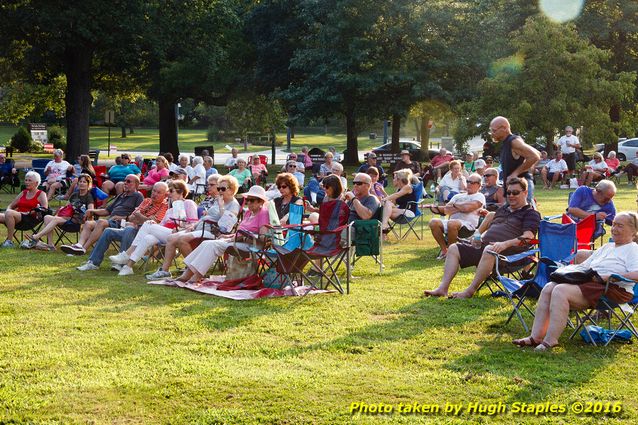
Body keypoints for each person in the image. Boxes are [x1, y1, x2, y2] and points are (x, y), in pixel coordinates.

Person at [513, 212, 638, 351]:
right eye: (613, 224)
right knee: (549, 287)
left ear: (634, 231)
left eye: (620, 226)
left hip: (612, 290)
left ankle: (551, 340)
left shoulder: (633, 249)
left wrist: (609, 276)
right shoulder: (607, 247)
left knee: (560, 291)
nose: (614, 229)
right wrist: (568, 271)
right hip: (590, 282)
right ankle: (535, 337)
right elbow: (585, 266)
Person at [424, 178, 540, 298]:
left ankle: (469, 291)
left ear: (525, 193)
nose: (511, 195)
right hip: (486, 248)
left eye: (515, 192)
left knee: (489, 249)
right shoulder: (504, 210)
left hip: (509, 255)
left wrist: (504, 244)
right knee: (454, 248)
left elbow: (528, 237)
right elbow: (491, 218)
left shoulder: (530, 213)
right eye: (508, 193)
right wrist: (476, 236)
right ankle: (443, 288)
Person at [144, 175, 241, 279]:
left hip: (214, 231)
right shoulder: (219, 201)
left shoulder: (233, 204)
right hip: (201, 226)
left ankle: (193, 270)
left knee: (182, 240)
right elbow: (207, 216)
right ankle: (165, 271)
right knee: (171, 238)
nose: (220, 191)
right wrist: (194, 225)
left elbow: (225, 226)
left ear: (231, 190)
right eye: (218, 188)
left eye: (223, 189)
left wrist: (221, 206)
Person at [175, 185, 271, 283]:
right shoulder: (248, 213)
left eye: (252, 200)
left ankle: (196, 277)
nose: (249, 203)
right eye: (247, 200)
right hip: (237, 241)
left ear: (261, 201)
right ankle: (188, 273)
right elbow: (239, 232)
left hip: (252, 246)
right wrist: (229, 236)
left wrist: (240, 238)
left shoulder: (263, 213)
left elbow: (262, 238)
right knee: (206, 243)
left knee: (213, 245)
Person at [111, 180, 199, 276]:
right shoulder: (170, 209)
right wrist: (153, 223)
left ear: (181, 192)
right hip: (167, 234)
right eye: (168, 191)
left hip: (181, 234)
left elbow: (194, 223)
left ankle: (127, 254)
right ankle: (128, 266)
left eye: (171, 191)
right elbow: (161, 225)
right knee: (147, 236)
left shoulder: (188, 203)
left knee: (148, 225)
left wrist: (182, 228)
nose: (168, 194)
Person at [76, 182, 169, 271]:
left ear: (165, 195)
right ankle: (93, 262)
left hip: (144, 237)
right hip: (133, 229)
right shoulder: (146, 201)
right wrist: (143, 218)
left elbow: (153, 223)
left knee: (129, 229)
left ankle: (121, 264)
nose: (155, 194)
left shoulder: (164, 206)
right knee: (108, 231)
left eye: (159, 192)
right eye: (154, 191)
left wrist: (140, 216)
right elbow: (131, 218)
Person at [61, 175, 144, 255]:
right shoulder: (121, 195)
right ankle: (79, 245)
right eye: (125, 181)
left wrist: (122, 217)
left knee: (101, 222)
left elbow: (137, 215)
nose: (125, 183)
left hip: (122, 223)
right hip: (111, 221)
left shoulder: (138, 196)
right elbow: (106, 211)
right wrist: (91, 210)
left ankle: (84, 249)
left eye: (129, 181)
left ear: (136, 184)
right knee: (88, 223)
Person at [23, 174, 95, 250]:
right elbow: (67, 207)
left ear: (88, 184)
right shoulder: (74, 195)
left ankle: (36, 236)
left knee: (56, 219)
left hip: (79, 222)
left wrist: (82, 214)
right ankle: (50, 245)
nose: (82, 183)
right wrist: (60, 211)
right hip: (68, 218)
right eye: (80, 181)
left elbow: (91, 211)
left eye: (84, 182)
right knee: (47, 217)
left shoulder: (88, 196)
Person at [427, 173, 485, 259]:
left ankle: (451, 253)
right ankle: (444, 251)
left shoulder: (479, 196)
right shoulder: (458, 196)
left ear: (479, 185)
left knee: (452, 223)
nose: (469, 184)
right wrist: (462, 207)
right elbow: (447, 210)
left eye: (472, 182)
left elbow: (467, 208)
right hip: (452, 222)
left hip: (468, 226)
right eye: (468, 181)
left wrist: (456, 205)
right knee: (433, 222)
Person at [491, 116, 540, 203]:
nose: (492, 133)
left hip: (519, 189)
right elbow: (537, 153)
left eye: (494, 130)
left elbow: (535, 156)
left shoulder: (513, 141)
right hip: (511, 188)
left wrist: (515, 174)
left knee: (525, 214)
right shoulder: (506, 143)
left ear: (504, 128)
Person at [0, 171, 48, 248]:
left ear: (36, 183)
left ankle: (9, 241)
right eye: (26, 180)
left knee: (9, 213)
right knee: (7, 213)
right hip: (17, 216)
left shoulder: (41, 194)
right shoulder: (24, 192)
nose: (27, 182)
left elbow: (44, 209)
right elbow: (11, 205)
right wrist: (7, 210)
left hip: (30, 219)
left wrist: (30, 212)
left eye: (29, 180)